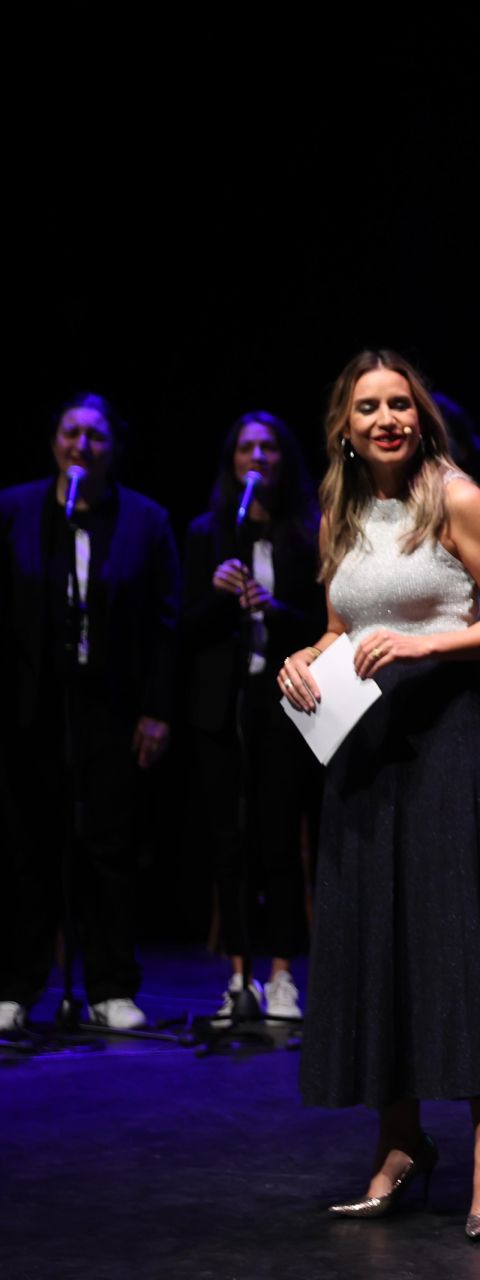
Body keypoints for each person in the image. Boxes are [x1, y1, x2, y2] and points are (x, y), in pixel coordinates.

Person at [280, 350, 480, 1241]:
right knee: (374, 936)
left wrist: (425, 645)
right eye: (367, 408)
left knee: (456, 936)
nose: (385, 418)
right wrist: (308, 656)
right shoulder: (338, 514)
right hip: (365, 745)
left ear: (420, 417)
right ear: (344, 428)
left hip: (449, 738)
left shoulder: (455, 498)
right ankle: (399, 1142)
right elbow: (343, 625)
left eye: (400, 405)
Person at [0, 393, 180, 1035]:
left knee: (109, 849)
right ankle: (17, 986)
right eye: (72, 433)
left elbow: (166, 626)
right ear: (54, 441)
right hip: (31, 709)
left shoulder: (145, 519)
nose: (82, 445)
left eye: (96, 437)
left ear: (113, 448)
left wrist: (157, 710)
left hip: (111, 707)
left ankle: (109, 986)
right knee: (28, 851)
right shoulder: (16, 509)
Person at [179, 410, 323, 1021]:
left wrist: (275, 607)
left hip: (288, 703)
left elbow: (326, 624)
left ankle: (283, 974)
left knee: (279, 842)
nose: (256, 458)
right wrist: (216, 598)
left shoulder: (305, 532)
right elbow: (181, 630)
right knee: (228, 841)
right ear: (231, 461)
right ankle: (238, 978)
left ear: (282, 460)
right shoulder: (207, 533)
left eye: (267, 448)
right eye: (246, 449)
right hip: (225, 706)